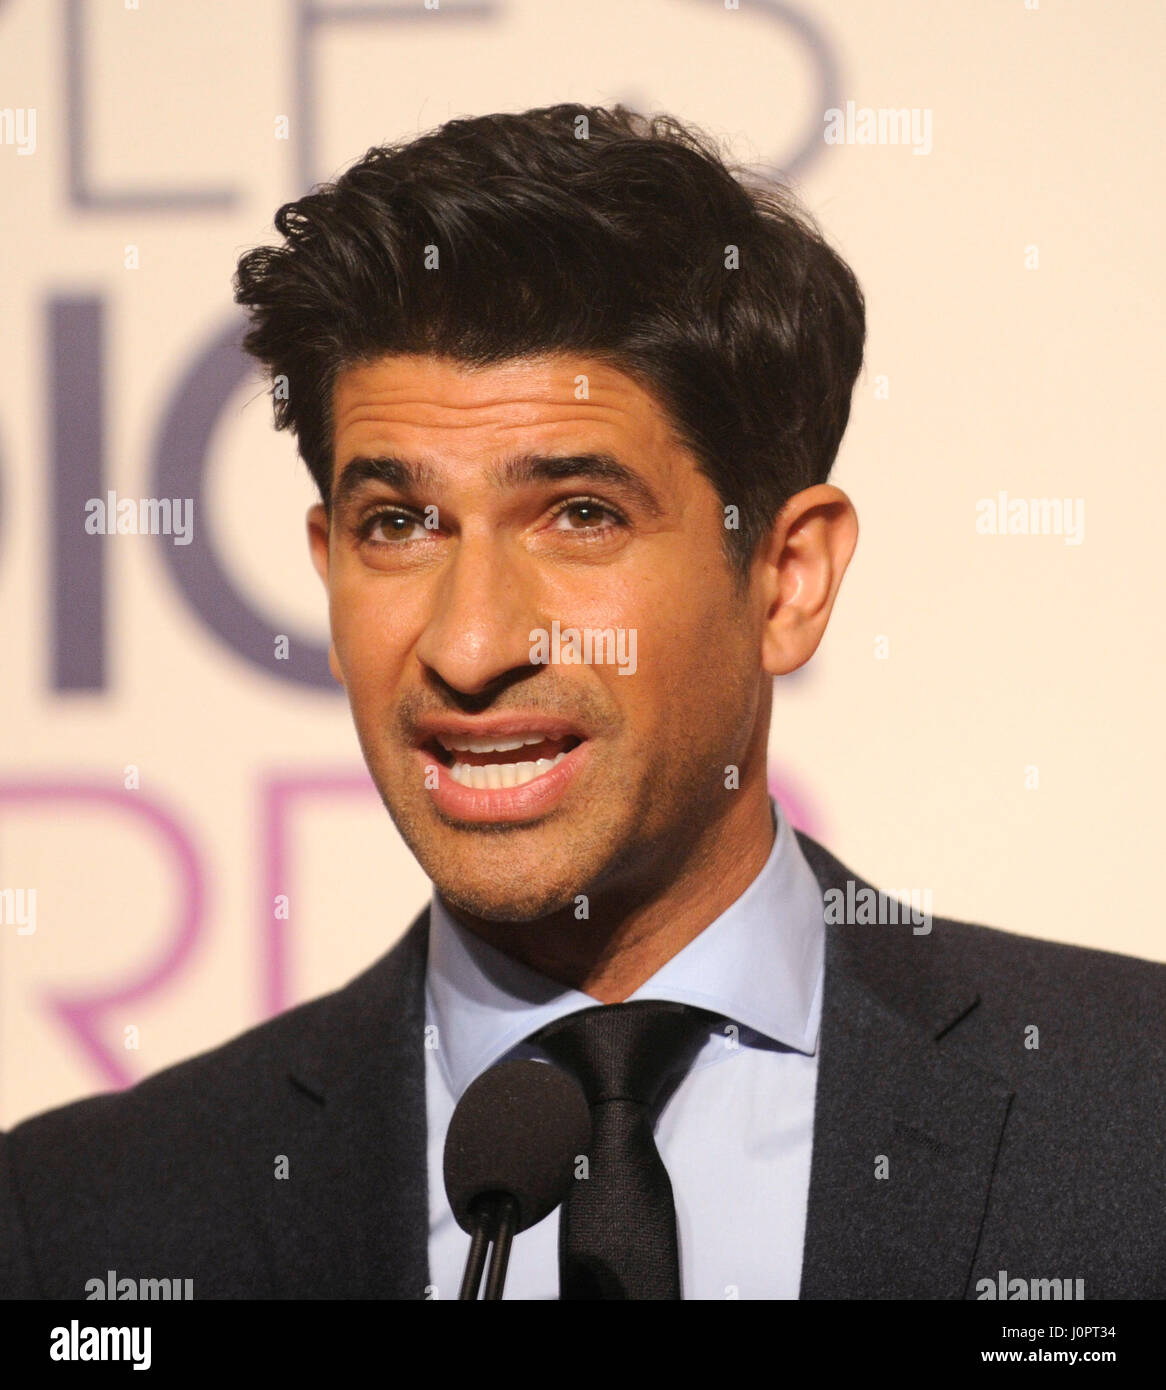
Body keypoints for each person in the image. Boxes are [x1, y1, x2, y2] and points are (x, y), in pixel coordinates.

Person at [2, 105, 1161, 1301]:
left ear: (786, 577)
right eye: (397, 525)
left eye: (580, 515)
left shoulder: (1132, 1112)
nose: (466, 643)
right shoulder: (87, 1226)